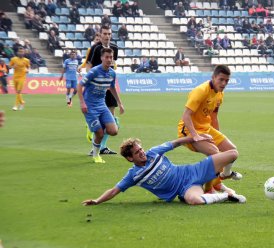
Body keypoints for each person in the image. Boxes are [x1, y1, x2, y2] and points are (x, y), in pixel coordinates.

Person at [82, 136, 246, 206]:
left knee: (233, 154)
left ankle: (224, 177)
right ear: (130, 158)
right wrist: (97, 201)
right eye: (138, 152)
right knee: (194, 201)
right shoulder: (134, 175)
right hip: (185, 188)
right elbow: (113, 191)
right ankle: (226, 195)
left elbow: (176, 142)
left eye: (141, 149)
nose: (142, 152)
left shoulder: (153, 152)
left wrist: (197, 137)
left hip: (194, 171)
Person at [177, 65, 242, 194]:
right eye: (221, 79)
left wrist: (218, 134)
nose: (224, 83)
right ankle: (209, 189)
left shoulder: (219, 94)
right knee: (215, 154)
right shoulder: (201, 91)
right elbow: (186, 115)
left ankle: (224, 175)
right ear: (213, 77)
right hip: (189, 130)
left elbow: (214, 116)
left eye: (226, 81)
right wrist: (195, 135)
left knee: (231, 150)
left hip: (206, 128)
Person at [77, 48, 124, 163]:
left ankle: (95, 126)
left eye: (111, 57)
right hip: (90, 106)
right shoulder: (94, 71)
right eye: (107, 57)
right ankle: (96, 155)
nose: (109, 59)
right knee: (99, 134)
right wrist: (82, 103)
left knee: (114, 131)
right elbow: (79, 85)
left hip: (101, 105)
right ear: (102, 58)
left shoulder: (112, 73)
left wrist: (120, 103)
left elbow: (112, 87)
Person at [85, 25, 119, 155]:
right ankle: (93, 141)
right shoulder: (95, 48)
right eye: (104, 33)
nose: (107, 36)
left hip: (107, 84)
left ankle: (103, 146)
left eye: (109, 34)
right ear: (100, 34)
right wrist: (89, 82)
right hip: (95, 87)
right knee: (97, 122)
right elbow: (89, 65)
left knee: (111, 115)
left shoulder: (115, 48)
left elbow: (113, 63)